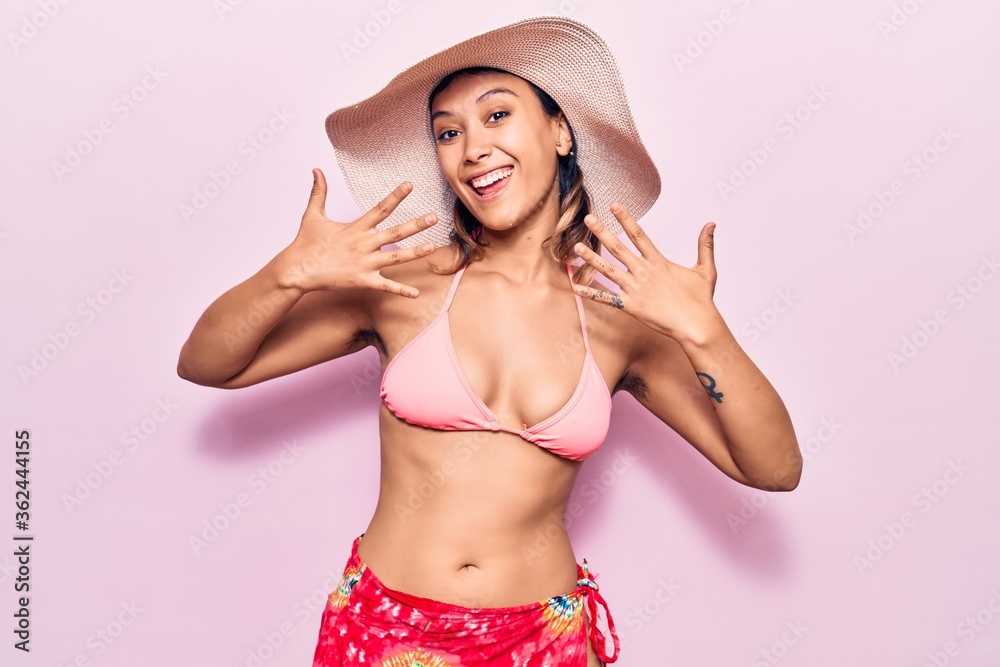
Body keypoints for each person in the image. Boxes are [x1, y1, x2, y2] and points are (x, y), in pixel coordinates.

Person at [176, 16, 802, 667]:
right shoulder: (402, 287)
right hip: (389, 630)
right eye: (449, 131)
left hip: (543, 641)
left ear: (561, 132)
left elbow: (774, 468)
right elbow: (207, 363)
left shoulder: (621, 315)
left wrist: (706, 333)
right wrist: (285, 275)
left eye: (496, 115)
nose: (472, 147)